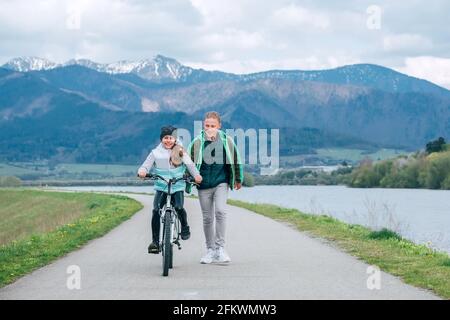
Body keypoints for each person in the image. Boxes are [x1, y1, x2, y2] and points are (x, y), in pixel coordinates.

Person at [187, 111, 244, 264]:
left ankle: (220, 248)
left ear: (219, 126)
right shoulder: (197, 142)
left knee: (220, 211)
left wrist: (238, 179)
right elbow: (188, 162)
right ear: (203, 126)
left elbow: (236, 159)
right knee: (207, 218)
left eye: (213, 125)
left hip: (221, 181)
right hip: (203, 184)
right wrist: (188, 179)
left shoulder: (227, 141)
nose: (210, 128)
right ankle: (210, 250)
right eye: (207, 125)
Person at [138, 125, 202, 254]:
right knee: (156, 210)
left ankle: (184, 226)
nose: (168, 140)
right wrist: (142, 171)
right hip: (162, 186)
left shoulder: (180, 151)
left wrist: (196, 176)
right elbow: (146, 165)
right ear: (162, 139)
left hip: (177, 185)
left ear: (175, 139)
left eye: (171, 138)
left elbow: (190, 165)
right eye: (165, 138)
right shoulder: (155, 152)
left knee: (179, 207)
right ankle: (155, 241)